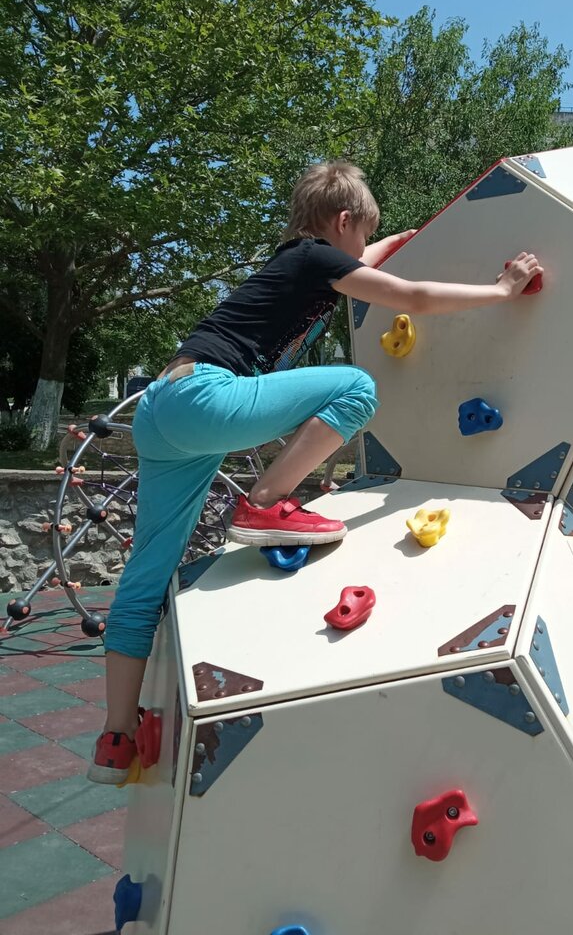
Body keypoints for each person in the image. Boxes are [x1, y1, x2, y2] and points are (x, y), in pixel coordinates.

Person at [88, 160, 542, 783]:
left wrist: (396, 238)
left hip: (162, 409)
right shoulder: (315, 258)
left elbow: (364, 260)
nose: (365, 250)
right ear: (343, 221)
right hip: (206, 398)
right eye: (363, 234)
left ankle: (115, 738)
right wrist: (503, 291)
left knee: (144, 580)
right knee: (356, 388)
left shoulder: (300, 261)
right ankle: (266, 501)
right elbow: (410, 296)